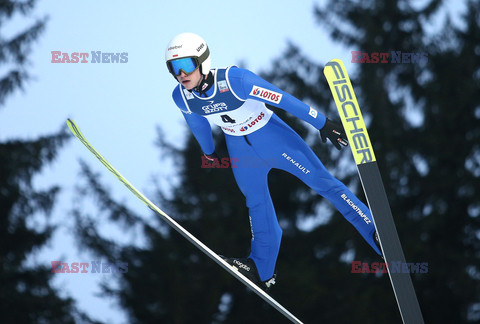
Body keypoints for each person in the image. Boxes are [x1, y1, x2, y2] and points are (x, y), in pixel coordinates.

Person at [165, 32, 381, 290]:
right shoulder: (183, 96)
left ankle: (374, 231)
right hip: (240, 150)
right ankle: (261, 268)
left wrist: (322, 123)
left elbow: (282, 99)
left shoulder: (236, 80)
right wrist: (209, 152)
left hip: (273, 138)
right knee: (256, 205)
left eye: (186, 65)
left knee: (323, 183)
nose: (180, 74)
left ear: (203, 61)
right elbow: (197, 124)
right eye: (173, 68)